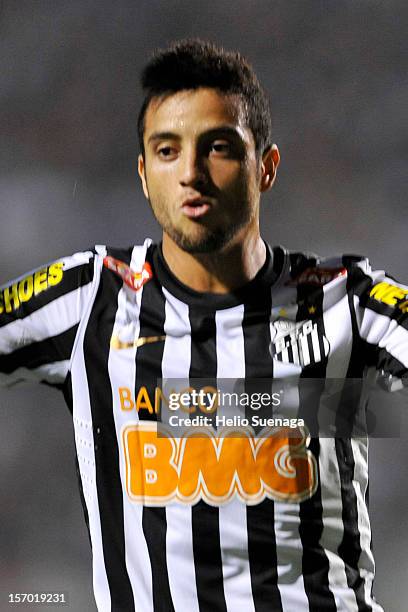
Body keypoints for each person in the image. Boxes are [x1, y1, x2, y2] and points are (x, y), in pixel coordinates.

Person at [0, 39, 406, 612]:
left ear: (265, 167)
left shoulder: (345, 301)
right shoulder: (89, 299)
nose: (191, 173)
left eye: (217, 147)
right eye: (167, 151)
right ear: (144, 174)